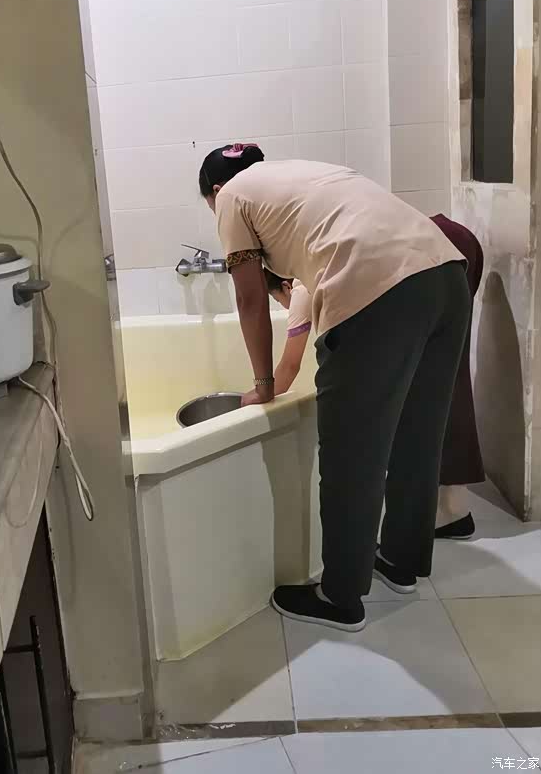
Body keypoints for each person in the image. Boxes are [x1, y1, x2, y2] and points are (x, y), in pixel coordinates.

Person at [199, 143, 470, 632]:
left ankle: (340, 597)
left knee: (350, 453)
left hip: (376, 288)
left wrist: (263, 385)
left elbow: (249, 298)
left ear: (215, 191)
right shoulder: (304, 172)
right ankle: (401, 561)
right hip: (446, 275)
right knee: (418, 435)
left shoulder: (231, 196)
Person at [265, 210, 486, 541]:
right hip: (442, 241)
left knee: (437, 385)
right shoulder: (317, 259)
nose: (285, 307)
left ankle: (450, 511)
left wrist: (262, 399)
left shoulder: (299, 289)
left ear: (284, 284)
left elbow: (289, 366)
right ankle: (451, 508)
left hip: (433, 250)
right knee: (445, 379)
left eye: (277, 300)